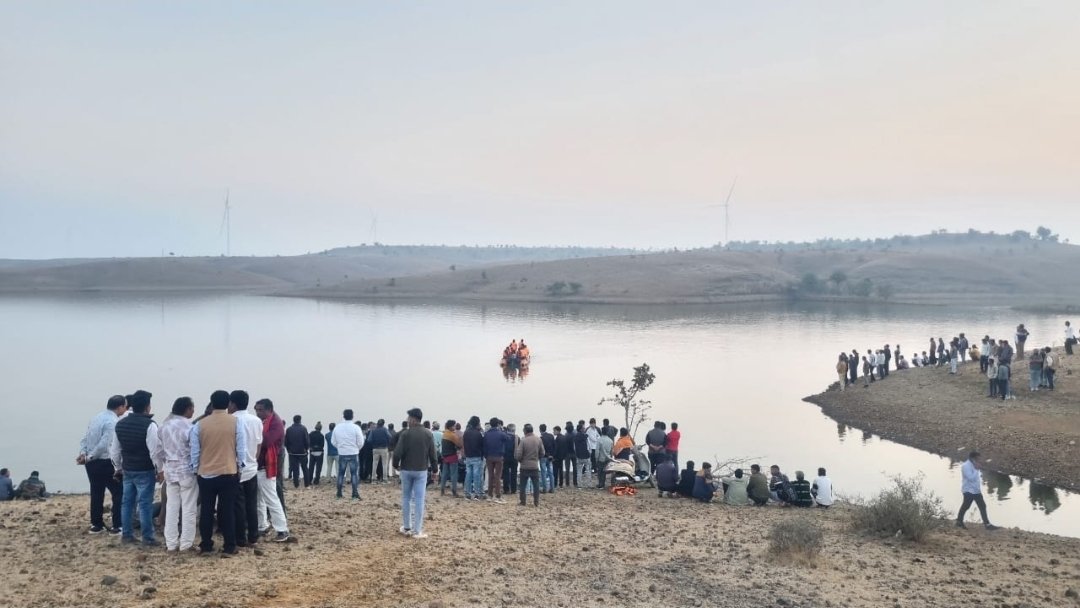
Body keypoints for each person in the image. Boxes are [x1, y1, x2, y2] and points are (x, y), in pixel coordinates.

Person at [190, 390, 247, 555]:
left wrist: (196, 469)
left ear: (212, 403)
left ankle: (206, 545)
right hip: (228, 471)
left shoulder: (200, 424)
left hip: (206, 473)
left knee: (206, 510)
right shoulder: (235, 422)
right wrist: (240, 467)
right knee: (227, 510)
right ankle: (229, 545)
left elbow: (195, 451)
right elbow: (241, 448)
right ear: (228, 403)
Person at [110, 389, 161, 546]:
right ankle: (148, 537)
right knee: (145, 504)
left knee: (127, 503)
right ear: (147, 406)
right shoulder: (150, 425)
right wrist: (159, 470)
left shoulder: (120, 424)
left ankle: (127, 534)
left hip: (127, 469)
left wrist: (118, 468)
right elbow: (155, 451)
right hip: (145, 469)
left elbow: (115, 450)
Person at [77, 394, 127, 534]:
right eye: (125, 406)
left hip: (91, 463)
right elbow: (105, 445)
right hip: (105, 462)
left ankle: (96, 524)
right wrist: (89, 457)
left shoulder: (96, 418)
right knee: (118, 492)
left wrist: (83, 453)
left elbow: (85, 438)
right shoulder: (113, 422)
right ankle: (117, 525)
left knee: (96, 492)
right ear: (120, 407)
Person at [159, 396, 197, 552]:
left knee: (171, 507)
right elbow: (194, 450)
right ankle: (186, 544)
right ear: (187, 409)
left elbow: (158, 451)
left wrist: (162, 466)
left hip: (170, 470)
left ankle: (171, 543)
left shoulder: (163, 426)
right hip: (186, 471)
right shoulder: (190, 427)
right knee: (189, 508)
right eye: (192, 408)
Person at [393, 408, 438, 539]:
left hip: (406, 470)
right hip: (421, 470)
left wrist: (395, 465)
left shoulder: (405, 434)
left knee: (406, 498)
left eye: (408, 418)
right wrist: (435, 470)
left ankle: (407, 526)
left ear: (413, 419)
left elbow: (397, 453)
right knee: (419, 499)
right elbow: (433, 454)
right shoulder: (428, 434)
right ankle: (417, 530)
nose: (407, 420)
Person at [229, 390, 262, 548]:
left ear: (233, 404)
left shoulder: (231, 420)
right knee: (251, 504)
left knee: (238, 505)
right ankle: (253, 536)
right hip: (252, 467)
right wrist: (253, 460)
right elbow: (259, 445)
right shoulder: (256, 420)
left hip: (235, 468)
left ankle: (240, 538)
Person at [254, 398, 290, 542]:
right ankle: (262, 525)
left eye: (260, 410)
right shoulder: (263, 422)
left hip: (267, 465)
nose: (257, 413)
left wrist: (253, 432)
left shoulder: (276, 423)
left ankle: (282, 529)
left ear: (269, 410)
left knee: (271, 498)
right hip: (259, 465)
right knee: (259, 498)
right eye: (256, 410)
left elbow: (267, 441)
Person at [956, 451, 998, 530]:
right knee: (966, 506)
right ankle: (959, 521)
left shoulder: (974, 464)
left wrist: (978, 468)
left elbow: (977, 478)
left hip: (976, 491)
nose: (979, 460)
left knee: (982, 506)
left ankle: (987, 524)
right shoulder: (965, 466)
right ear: (972, 458)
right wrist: (977, 469)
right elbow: (971, 478)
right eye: (978, 458)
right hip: (968, 491)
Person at [331, 409, 364, 500]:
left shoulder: (337, 427)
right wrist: (357, 448)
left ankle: (339, 493)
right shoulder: (356, 427)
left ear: (343, 416)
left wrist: (340, 447)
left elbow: (333, 441)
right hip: (353, 452)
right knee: (354, 474)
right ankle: (354, 494)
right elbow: (360, 442)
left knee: (341, 474)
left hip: (342, 453)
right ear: (352, 416)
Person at [515, 423, 545, 506]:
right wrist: (537, 458)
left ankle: (523, 501)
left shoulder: (523, 440)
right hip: (534, 466)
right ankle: (536, 502)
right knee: (536, 485)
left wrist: (520, 461)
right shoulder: (538, 439)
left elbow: (518, 455)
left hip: (524, 466)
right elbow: (542, 453)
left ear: (525, 431)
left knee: (523, 485)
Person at [483, 418, 508, 502]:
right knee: (498, 476)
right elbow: (507, 438)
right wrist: (502, 429)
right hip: (499, 457)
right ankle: (498, 495)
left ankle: (489, 495)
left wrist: (486, 455)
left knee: (490, 476)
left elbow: (484, 446)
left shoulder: (486, 434)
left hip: (489, 457)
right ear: (498, 424)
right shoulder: (501, 433)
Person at [284, 415, 310, 489]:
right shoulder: (303, 428)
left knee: (295, 469)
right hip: (302, 452)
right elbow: (307, 440)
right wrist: (306, 448)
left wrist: (288, 450)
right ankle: (307, 485)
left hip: (292, 453)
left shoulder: (289, 429)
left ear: (293, 420)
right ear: (300, 420)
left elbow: (286, 442)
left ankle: (296, 485)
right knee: (305, 468)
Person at [462, 416, 485, 500]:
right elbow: (482, 445)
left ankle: (467, 493)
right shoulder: (478, 433)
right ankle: (477, 493)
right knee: (477, 475)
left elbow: (464, 444)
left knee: (468, 475)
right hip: (477, 456)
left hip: (468, 456)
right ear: (477, 423)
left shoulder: (466, 432)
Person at [439, 419, 462, 497]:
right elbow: (459, 445)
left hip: (445, 457)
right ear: (451, 426)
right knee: (453, 474)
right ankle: (454, 491)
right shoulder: (452, 435)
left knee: (444, 474)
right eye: (454, 426)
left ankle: (442, 490)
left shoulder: (444, 434)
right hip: (452, 456)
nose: (455, 427)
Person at [368, 420, 392, 484]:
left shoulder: (373, 430)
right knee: (384, 464)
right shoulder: (385, 429)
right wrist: (387, 443)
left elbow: (369, 440)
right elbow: (390, 437)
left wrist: (373, 444)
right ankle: (385, 479)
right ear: (383, 424)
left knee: (374, 464)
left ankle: (373, 479)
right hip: (384, 448)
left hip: (375, 448)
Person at [502, 423, 520, 495]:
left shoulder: (504, 437)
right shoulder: (517, 438)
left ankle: (506, 489)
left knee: (505, 474)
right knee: (514, 474)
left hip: (505, 457)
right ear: (514, 430)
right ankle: (513, 489)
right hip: (514, 458)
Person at [539, 424, 556, 493]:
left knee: (543, 473)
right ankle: (552, 488)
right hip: (550, 457)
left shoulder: (541, 438)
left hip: (543, 457)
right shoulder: (551, 436)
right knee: (550, 472)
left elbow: (541, 449)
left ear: (540, 429)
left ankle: (545, 488)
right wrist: (552, 455)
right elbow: (554, 446)